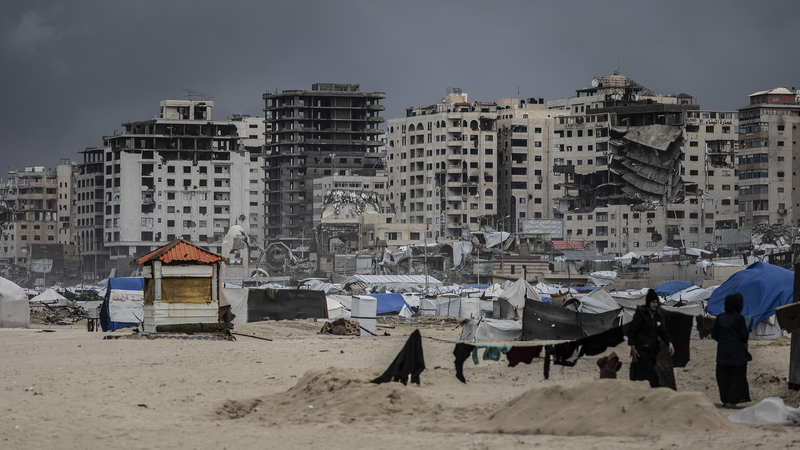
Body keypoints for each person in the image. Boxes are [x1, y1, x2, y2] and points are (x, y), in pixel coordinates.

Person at [626, 289, 674, 387]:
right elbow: (632, 331)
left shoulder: (657, 317)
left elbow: (663, 332)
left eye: (656, 302)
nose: (655, 304)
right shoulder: (641, 314)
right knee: (649, 378)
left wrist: (669, 343)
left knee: (646, 377)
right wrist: (633, 347)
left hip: (652, 351)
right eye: (653, 302)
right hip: (641, 351)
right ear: (648, 302)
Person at [711, 293, 751, 409]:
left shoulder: (720, 318)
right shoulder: (740, 319)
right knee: (736, 378)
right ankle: (732, 402)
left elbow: (714, 335)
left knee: (723, 378)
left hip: (722, 354)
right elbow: (744, 337)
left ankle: (724, 400)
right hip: (737, 354)